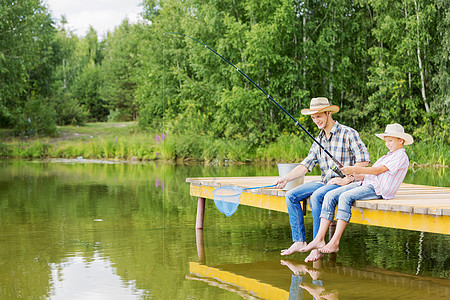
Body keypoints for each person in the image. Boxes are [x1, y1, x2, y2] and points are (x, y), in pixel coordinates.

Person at [274, 97, 370, 261]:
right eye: (313, 117)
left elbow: (364, 161)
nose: (316, 120)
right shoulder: (318, 140)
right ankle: (299, 241)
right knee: (291, 195)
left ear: (328, 113)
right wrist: (286, 178)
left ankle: (318, 242)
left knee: (318, 195)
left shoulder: (348, 133)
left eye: (318, 116)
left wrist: (347, 179)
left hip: (346, 183)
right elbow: (306, 165)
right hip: (326, 181)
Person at [300, 123, 413, 256]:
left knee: (345, 197)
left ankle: (335, 242)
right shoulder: (388, 156)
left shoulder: (400, 156)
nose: (387, 143)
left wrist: (353, 168)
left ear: (401, 140)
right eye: (386, 140)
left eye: (390, 140)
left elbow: (377, 170)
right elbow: (370, 174)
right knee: (330, 195)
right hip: (366, 183)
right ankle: (319, 239)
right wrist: (352, 176)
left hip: (379, 189)